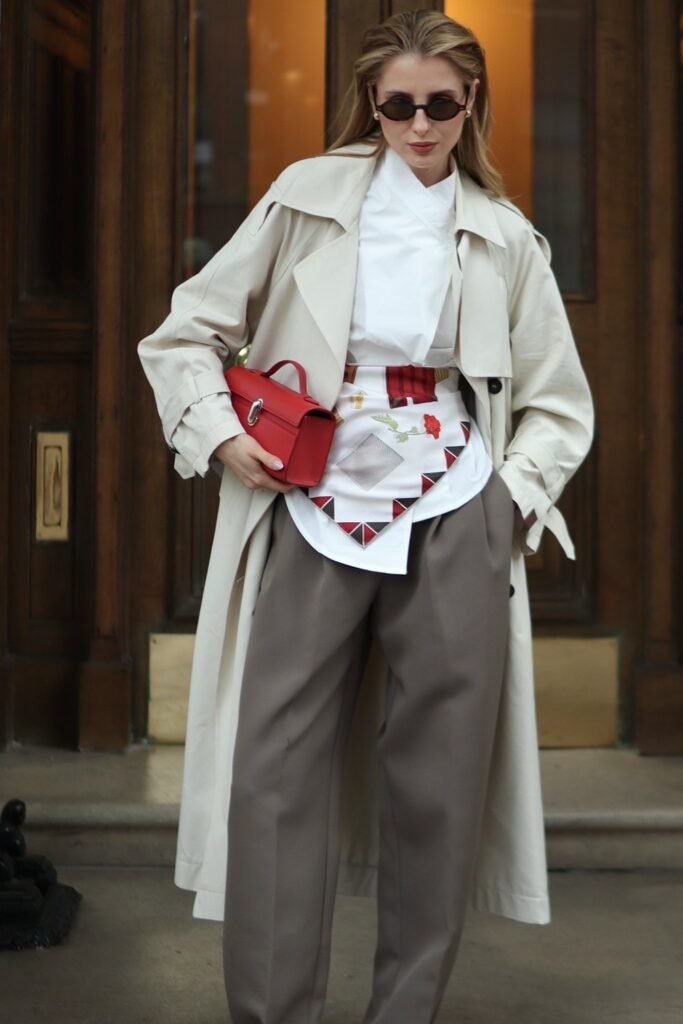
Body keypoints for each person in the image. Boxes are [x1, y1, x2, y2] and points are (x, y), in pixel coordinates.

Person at [139, 9, 594, 1023]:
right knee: (273, 765)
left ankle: (404, 1012)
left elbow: (557, 399)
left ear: (469, 101)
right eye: (398, 104)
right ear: (371, 104)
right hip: (309, 496)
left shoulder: (503, 233)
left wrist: (504, 498)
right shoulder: (306, 198)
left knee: (438, 780)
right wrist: (216, 433)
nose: (419, 123)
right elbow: (184, 333)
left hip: (451, 503)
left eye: (439, 103)